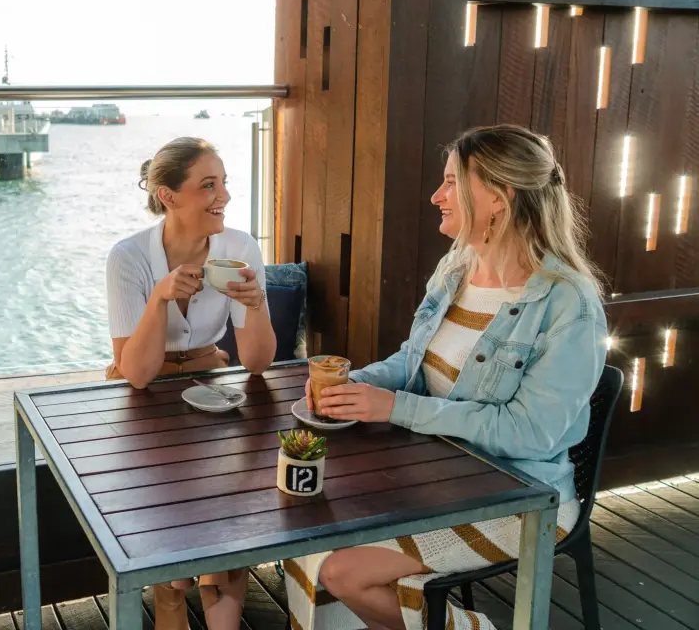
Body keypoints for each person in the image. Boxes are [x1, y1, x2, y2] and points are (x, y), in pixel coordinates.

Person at [284, 125, 607, 630]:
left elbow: (531, 432)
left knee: (342, 571)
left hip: (521, 498)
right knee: (305, 530)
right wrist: (355, 385)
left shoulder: (569, 303)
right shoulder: (457, 267)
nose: (437, 196)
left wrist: (395, 409)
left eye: (452, 182)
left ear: (498, 198)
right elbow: (415, 360)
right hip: (438, 475)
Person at [106, 137, 277, 630]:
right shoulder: (129, 258)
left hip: (214, 386)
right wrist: (160, 297)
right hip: (146, 394)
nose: (222, 195)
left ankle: (217, 594)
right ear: (168, 196)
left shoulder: (240, 247)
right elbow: (135, 373)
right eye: (208, 185)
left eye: (223, 183)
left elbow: (259, 363)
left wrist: (256, 303)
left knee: (233, 492)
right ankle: (172, 591)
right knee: (163, 496)